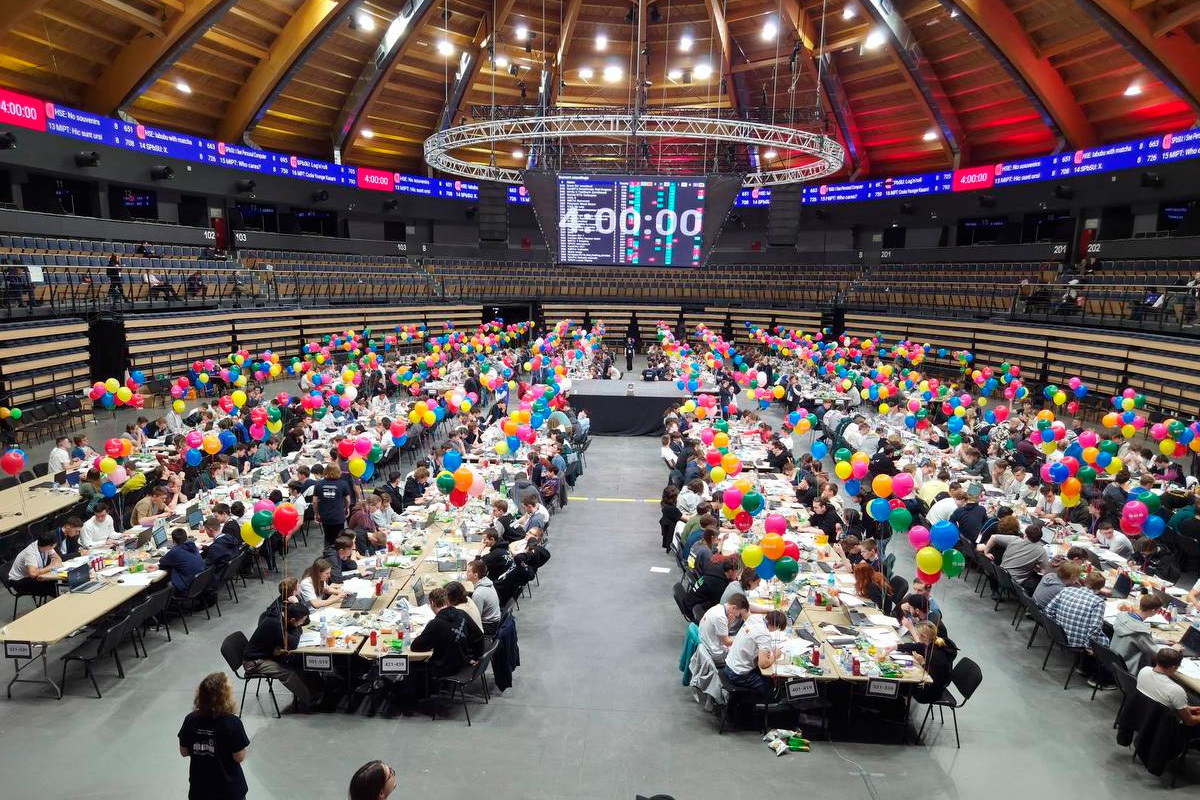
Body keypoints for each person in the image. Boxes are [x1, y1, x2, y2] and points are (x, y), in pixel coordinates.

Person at [178, 672, 250, 800]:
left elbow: (184, 752)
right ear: (225, 698)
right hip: (228, 790)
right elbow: (239, 757)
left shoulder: (190, 719)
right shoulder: (232, 723)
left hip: (200, 789)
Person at [243, 601, 320, 713]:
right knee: (288, 673)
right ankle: (309, 701)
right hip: (254, 662)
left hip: (268, 654)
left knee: (298, 660)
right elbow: (292, 643)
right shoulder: (275, 624)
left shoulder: (283, 616)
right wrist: (296, 629)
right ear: (292, 620)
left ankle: (318, 688)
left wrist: (296, 627)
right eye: (301, 621)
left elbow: (302, 626)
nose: (302, 623)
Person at [721, 609, 788, 701]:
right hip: (738, 674)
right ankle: (770, 702)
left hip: (729, 665)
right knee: (767, 689)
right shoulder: (765, 635)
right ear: (776, 626)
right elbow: (763, 664)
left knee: (764, 676)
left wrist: (764, 651)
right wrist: (775, 655)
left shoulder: (754, 618)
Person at [978, 520, 1051, 595]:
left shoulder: (1014, 539)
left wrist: (986, 552)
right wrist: (1037, 567)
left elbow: (993, 537)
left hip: (1001, 575)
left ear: (1025, 535)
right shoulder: (1041, 551)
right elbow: (1045, 571)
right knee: (1039, 583)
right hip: (1016, 582)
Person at [894, 621, 959, 704]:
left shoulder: (936, 656)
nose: (916, 637)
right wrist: (896, 646)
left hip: (929, 692)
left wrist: (923, 663)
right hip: (929, 683)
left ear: (924, 637)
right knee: (900, 682)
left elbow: (932, 679)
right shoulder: (932, 642)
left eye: (917, 634)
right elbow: (918, 646)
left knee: (900, 684)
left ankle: (898, 704)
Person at [1045, 572, 1109, 651]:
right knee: (1108, 637)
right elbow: (1094, 629)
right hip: (1077, 644)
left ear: (1085, 581)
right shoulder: (1098, 602)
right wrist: (1089, 648)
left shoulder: (1066, 590)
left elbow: (1048, 610)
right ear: (1101, 588)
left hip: (1058, 635)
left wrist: (1054, 627)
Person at [1136, 648, 1200, 726]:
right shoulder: (1176, 691)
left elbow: (1156, 697)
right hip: (1165, 726)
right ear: (1174, 667)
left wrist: (1185, 708)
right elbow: (1190, 721)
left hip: (1143, 715)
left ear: (1157, 660)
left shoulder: (1144, 670)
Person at [1112, 594, 1167, 673]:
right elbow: (1155, 652)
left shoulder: (1122, 617)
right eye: (1158, 610)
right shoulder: (1140, 631)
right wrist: (1173, 649)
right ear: (1153, 610)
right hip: (1129, 669)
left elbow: (1142, 640)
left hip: (1116, 663)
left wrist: (1162, 641)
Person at [698, 593, 750, 666]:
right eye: (739, 612)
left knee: (738, 640)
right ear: (734, 607)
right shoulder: (720, 617)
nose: (738, 615)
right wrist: (744, 638)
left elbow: (725, 634)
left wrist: (729, 623)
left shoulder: (718, 607)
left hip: (707, 644)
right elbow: (727, 642)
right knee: (745, 652)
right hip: (715, 653)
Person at [7, 532, 61, 600]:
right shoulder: (31, 553)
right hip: (20, 581)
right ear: (51, 545)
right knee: (52, 585)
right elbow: (33, 573)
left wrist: (53, 564)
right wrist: (51, 567)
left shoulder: (45, 546)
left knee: (56, 581)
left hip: (32, 576)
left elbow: (58, 560)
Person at [159, 528, 207, 594]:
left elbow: (162, 562)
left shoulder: (175, 551)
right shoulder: (192, 545)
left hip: (188, 587)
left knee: (167, 581)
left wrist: (167, 554)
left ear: (173, 540)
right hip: (201, 582)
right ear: (186, 538)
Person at [314, 463, 351, 545]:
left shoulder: (318, 484)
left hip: (325, 516)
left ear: (325, 471)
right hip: (338, 515)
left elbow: (314, 502)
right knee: (339, 538)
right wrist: (347, 508)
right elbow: (348, 500)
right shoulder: (343, 484)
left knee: (328, 537)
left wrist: (316, 513)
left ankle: (328, 550)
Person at [466, 559, 501, 635]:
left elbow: (475, 618)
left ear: (475, 575)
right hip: (494, 620)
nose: (466, 573)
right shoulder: (487, 582)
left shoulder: (478, 594)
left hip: (488, 626)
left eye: (468, 571)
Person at [659, 485, 682, 552]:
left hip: (670, 529)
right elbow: (687, 519)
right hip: (673, 530)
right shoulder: (673, 509)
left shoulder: (665, 505)